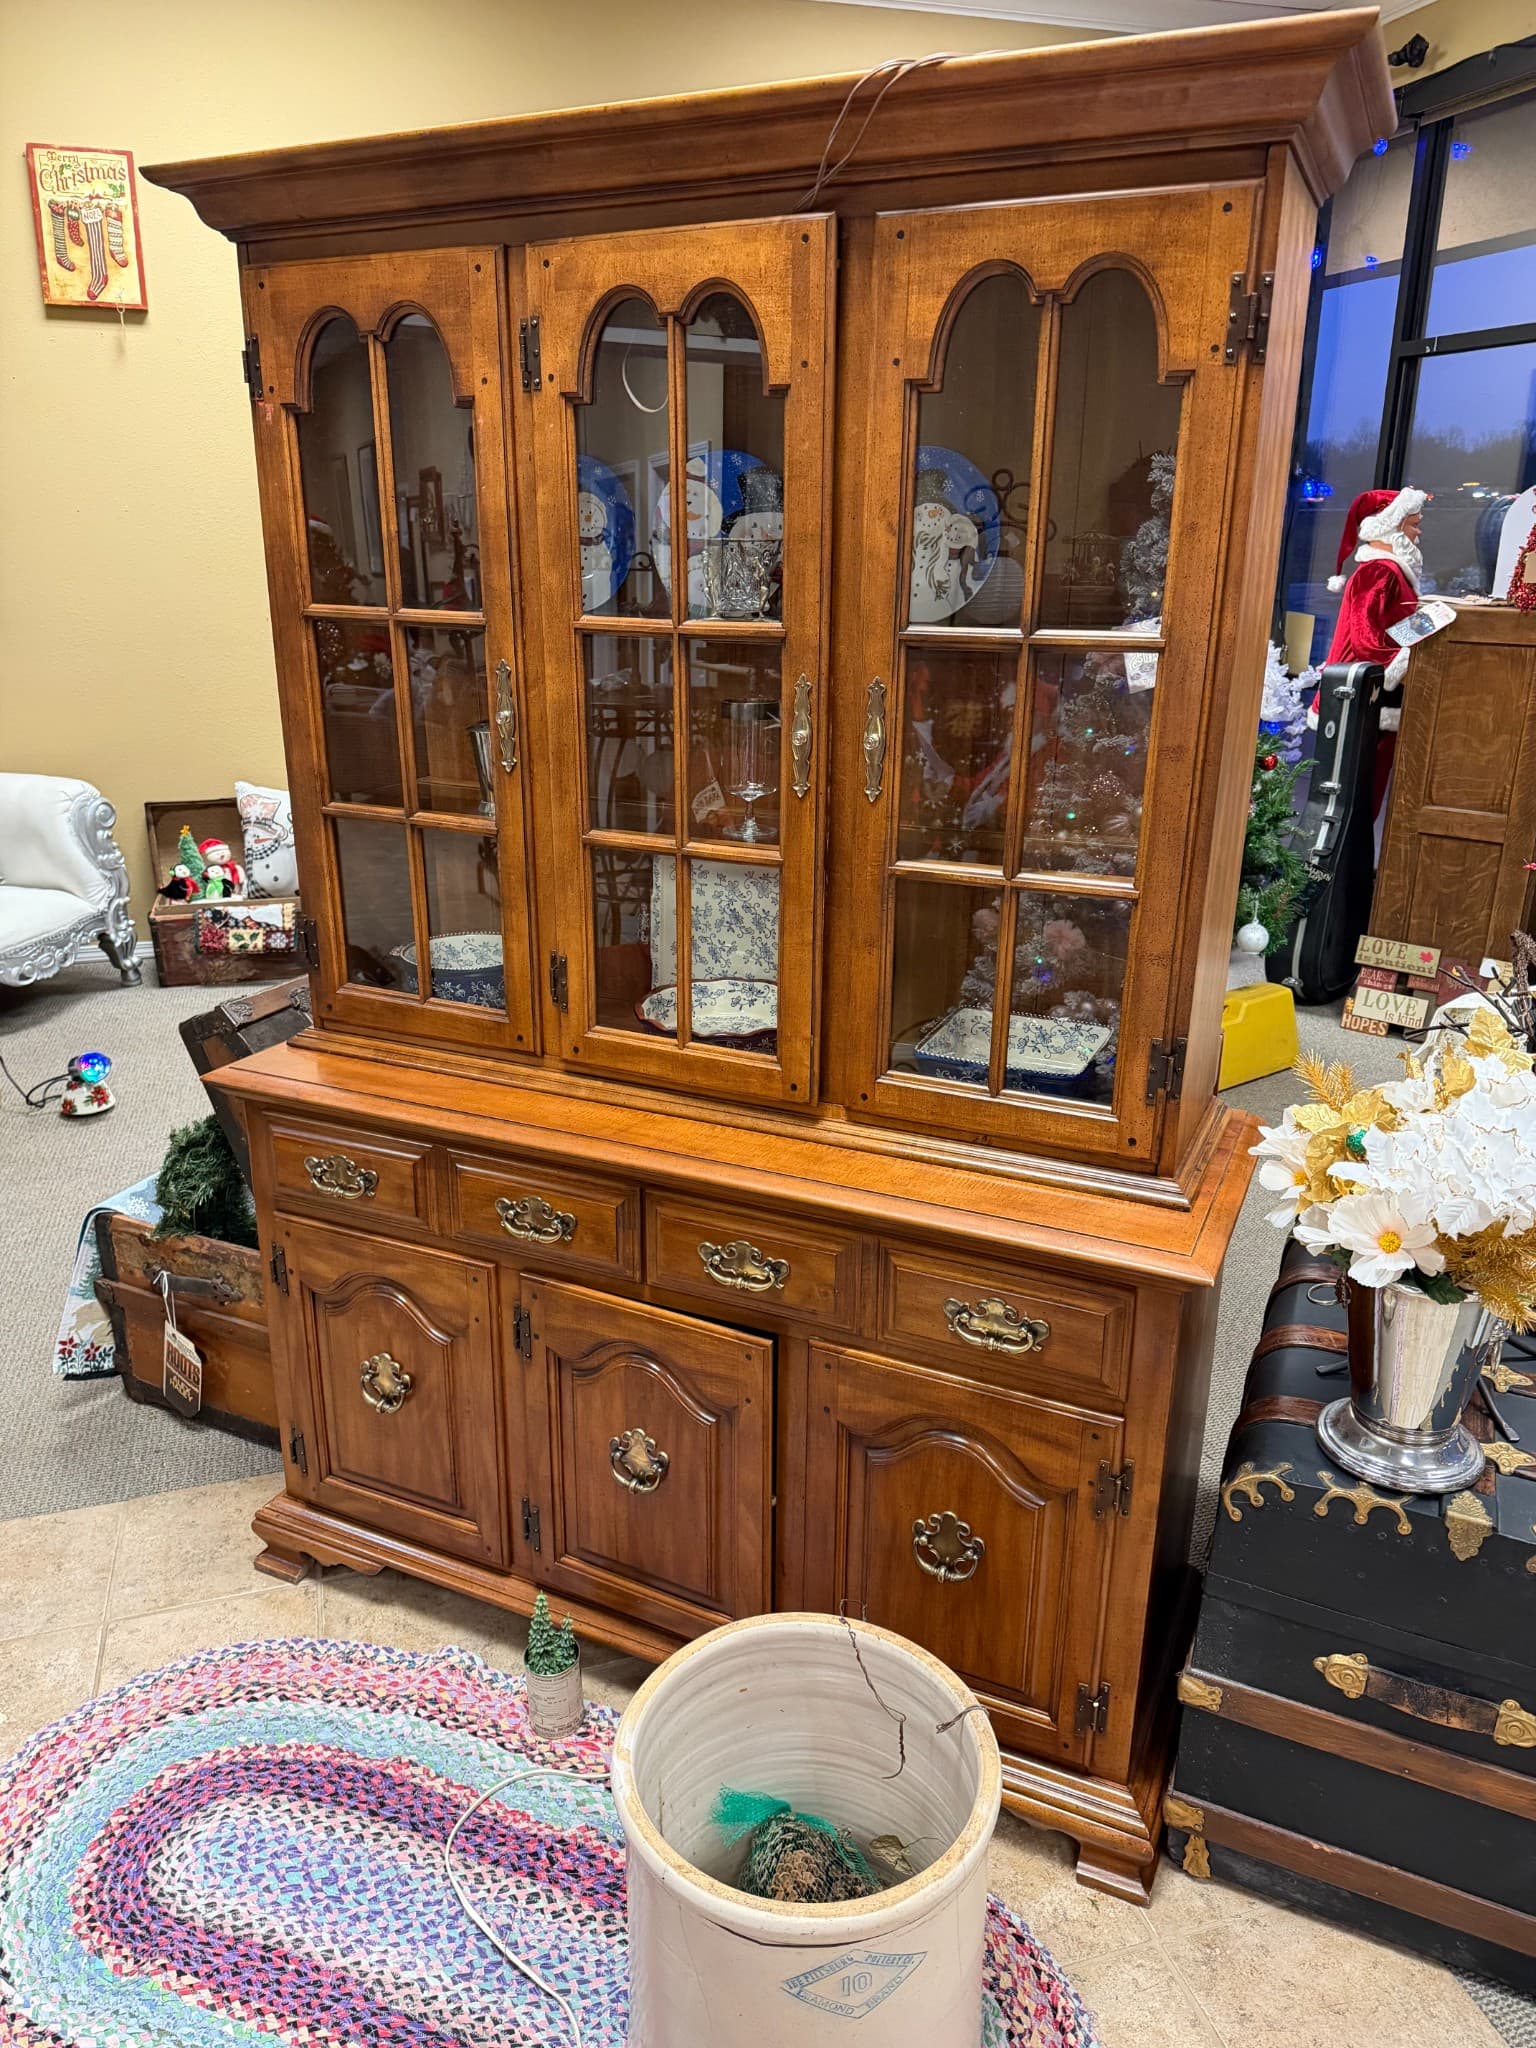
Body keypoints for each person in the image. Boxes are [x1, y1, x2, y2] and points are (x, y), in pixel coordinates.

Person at [1317, 486, 1428, 825]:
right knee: (1358, 796)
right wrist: (1407, 663)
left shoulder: (1389, 571)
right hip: (1366, 698)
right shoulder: (1379, 572)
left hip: (1373, 697)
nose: (1418, 533)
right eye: (1414, 524)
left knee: (1365, 795)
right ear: (1392, 526)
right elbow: (1367, 639)